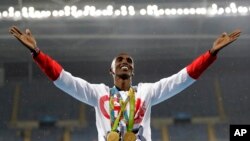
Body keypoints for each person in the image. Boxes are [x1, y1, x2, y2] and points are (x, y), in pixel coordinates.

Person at [9, 26, 241, 141]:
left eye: (129, 61)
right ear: (111, 70)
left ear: (133, 69)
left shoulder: (147, 92)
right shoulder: (97, 93)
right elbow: (63, 79)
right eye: (119, 60)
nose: (125, 62)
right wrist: (37, 53)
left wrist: (210, 54)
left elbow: (181, 79)